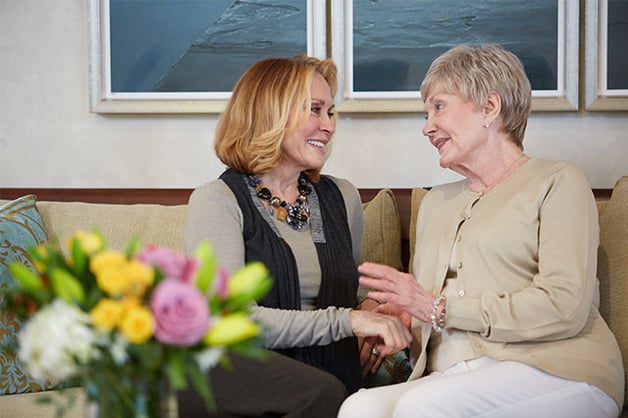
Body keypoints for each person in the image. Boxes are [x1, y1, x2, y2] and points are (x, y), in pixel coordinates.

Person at [338, 44, 624, 418]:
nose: (427, 127)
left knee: (420, 407)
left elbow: (563, 306)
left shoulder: (558, 182)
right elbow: (437, 312)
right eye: (426, 113)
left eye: (439, 107)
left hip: (559, 370)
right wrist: (411, 316)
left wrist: (436, 308)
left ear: (490, 108)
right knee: (360, 408)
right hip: (457, 374)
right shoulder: (435, 204)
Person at [181, 55, 411, 417]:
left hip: (325, 376)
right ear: (271, 114)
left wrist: (371, 308)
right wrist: (349, 321)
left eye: (331, 113)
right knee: (323, 394)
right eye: (315, 110)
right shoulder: (217, 201)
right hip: (237, 374)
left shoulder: (342, 197)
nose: (329, 126)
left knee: (331, 392)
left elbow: (353, 284)